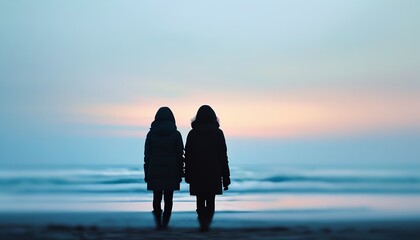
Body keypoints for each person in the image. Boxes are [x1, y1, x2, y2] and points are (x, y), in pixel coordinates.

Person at [184, 105, 231, 232]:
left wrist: (186, 174)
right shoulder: (218, 133)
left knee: (200, 198)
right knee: (211, 200)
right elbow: (223, 156)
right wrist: (226, 177)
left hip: (196, 172)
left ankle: (202, 221)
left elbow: (187, 156)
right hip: (213, 172)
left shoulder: (192, 134)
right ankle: (207, 222)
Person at [144, 107, 184, 230]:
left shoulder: (151, 134)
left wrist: (147, 173)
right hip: (171, 171)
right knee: (168, 199)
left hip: (154, 170)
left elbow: (147, 156)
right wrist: (181, 172)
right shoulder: (176, 134)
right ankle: (165, 223)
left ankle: (157, 222)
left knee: (156, 197)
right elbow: (180, 155)